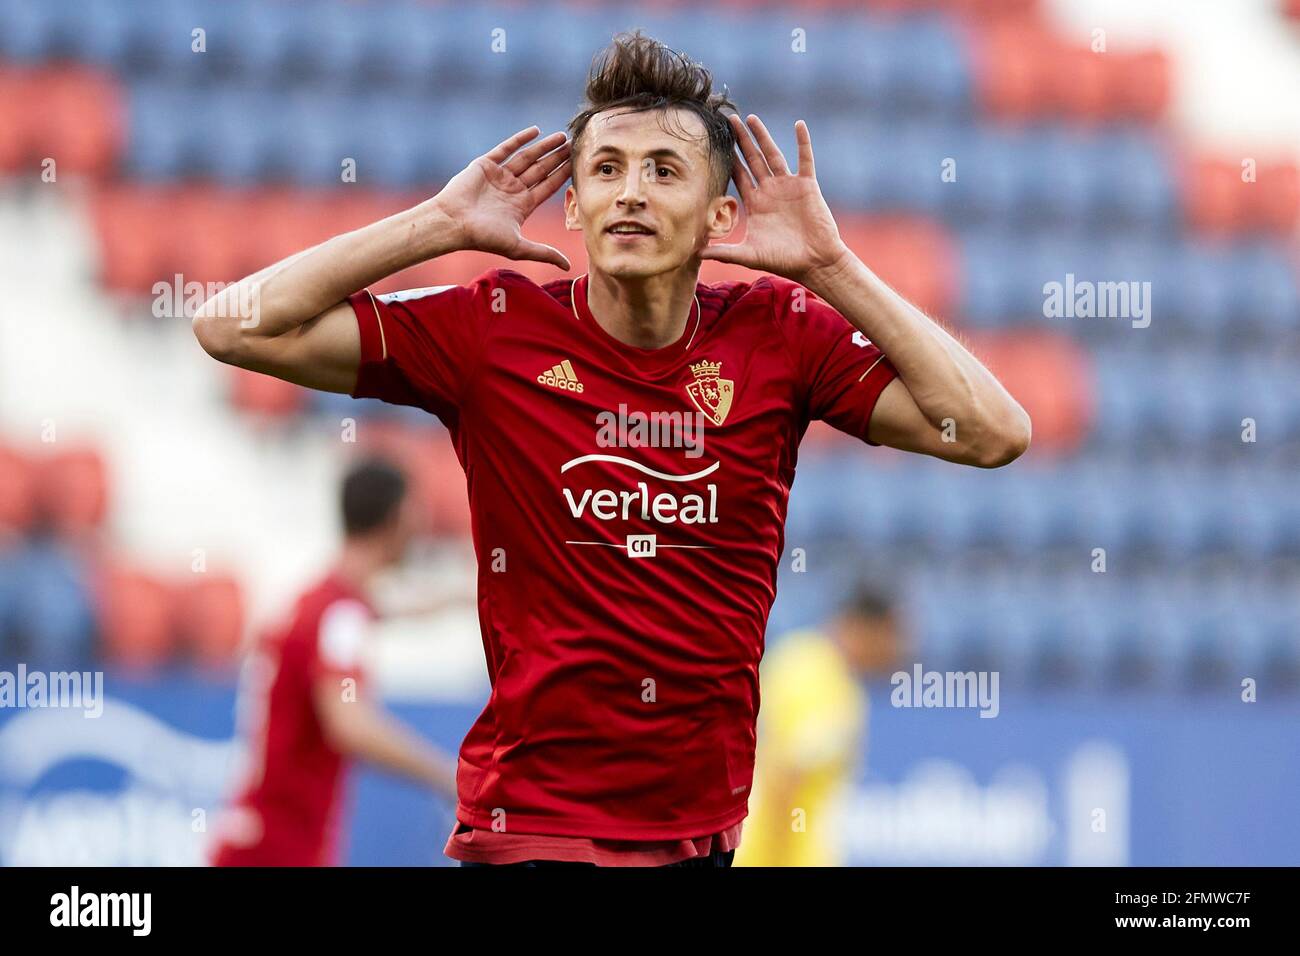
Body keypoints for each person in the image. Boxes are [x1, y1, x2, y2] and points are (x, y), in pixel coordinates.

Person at [192, 31, 1029, 867]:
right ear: (575, 208)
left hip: (701, 834)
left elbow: (995, 432)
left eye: (664, 170)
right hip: (534, 829)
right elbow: (231, 326)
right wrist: (438, 225)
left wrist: (834, 267)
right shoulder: (492, 330)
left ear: (720, 216)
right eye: (607, 169)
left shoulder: (782, 338)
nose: (631, 192)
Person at [209, 458, 457, 867]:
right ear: (395, 520)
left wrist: (459, 598)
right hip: (282, 848)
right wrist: (447, 774)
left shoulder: (320, 601)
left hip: (258, 835)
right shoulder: (341, 614)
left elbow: (378, 612)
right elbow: (349, 724)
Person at [736, 586, 902, 867]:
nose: (897, 649)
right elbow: (785, 778)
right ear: (865, 628)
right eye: (892, 635)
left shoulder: (797, 656)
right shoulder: (826, 685)